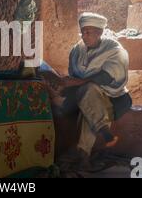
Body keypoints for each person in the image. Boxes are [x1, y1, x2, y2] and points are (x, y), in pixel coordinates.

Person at [42, 12, 132, 170]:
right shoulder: (77, 50)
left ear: (100, 32)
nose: (84, 35)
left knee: (88, 92)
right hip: (85, 96)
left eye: (88, 32)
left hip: (113, 97)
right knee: (87, 97)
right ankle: (87, 152)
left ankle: (95, 141)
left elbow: (107, 77)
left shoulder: (115, 49)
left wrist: (76, 82)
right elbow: (74, 76)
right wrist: (62, 83)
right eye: (82, 31)